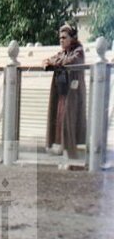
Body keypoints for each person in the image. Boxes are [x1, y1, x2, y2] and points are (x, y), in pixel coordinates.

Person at [43, 23, 86, 159]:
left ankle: (71, 153)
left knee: (69, 120)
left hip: (73, 93)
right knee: (60, 118)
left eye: (64, 37)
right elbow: (49, 60)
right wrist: (49, 62)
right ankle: (61, 147)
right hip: (63, 92)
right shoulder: (63, 52)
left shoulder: (78, 50)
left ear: (71, 38)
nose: (61, 40)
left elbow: (71, 61)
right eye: (60, 38)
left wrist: (55, 63)